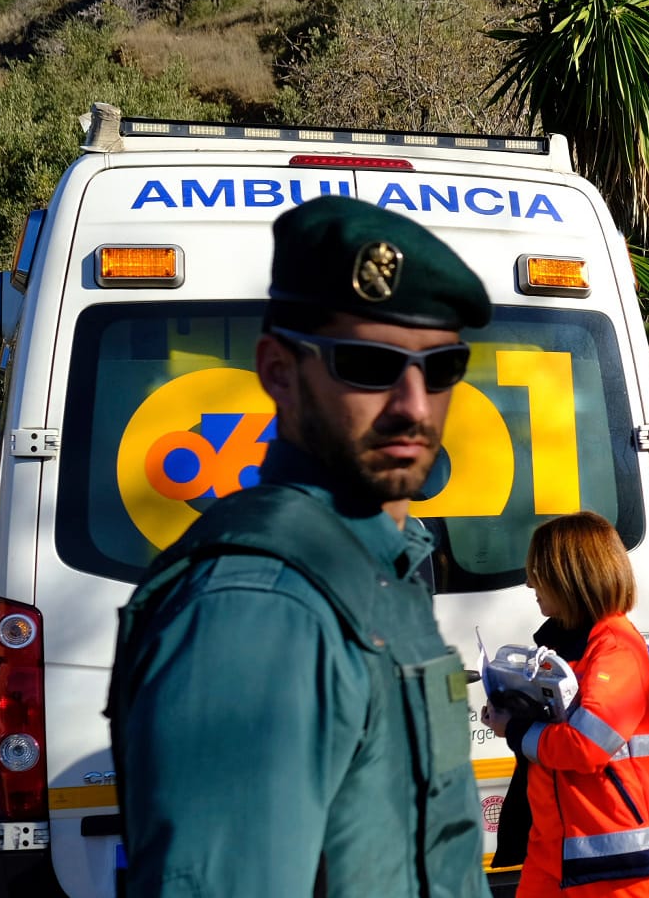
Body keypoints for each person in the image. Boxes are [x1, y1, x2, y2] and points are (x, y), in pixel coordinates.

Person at [106, 195, 494, 898]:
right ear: (278, 371)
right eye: (368, 364)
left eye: (441, 369)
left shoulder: (383, 560)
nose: (413, 403)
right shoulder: (257, 609)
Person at [482, 511, 649, 898]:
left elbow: (585, 746)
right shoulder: (569, 644)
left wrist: (516, 728)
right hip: (556, 852)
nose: (529, 583)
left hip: (616, 866)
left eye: (538, 572)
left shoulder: (616, 649)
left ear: (569, 577)